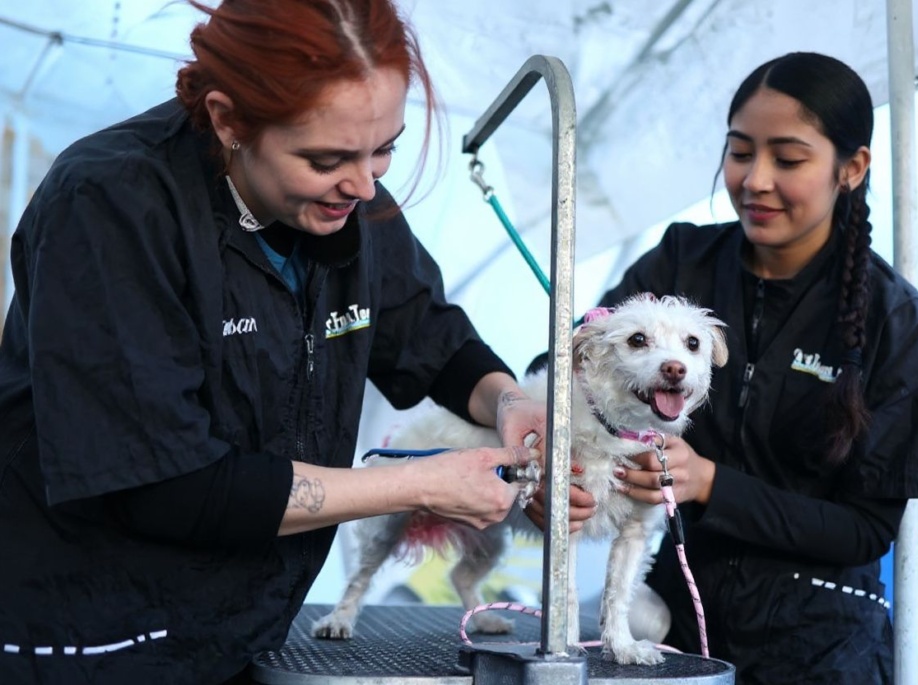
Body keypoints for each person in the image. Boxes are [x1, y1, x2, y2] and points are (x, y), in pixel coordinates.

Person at [0, 1, 546, 682]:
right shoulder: (110, 206)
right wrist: (415, 483)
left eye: (385, 148)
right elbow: (169, 483)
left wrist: (508, 400)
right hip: (91, 636)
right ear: (229, 120)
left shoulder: (345, 198)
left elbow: (421, 327)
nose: (366, 184)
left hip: (241, 629)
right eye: (327, 158)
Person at [526, 52, 918, 684]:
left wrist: (713, 484)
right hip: (673, 626)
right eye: (740, 152)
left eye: (789, 159)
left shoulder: (895, 317)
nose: (755, 180)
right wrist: (554, 466)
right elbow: (568, 360)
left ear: (850, 168)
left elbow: (867, 529)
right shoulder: (681, 261)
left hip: (821, 649)